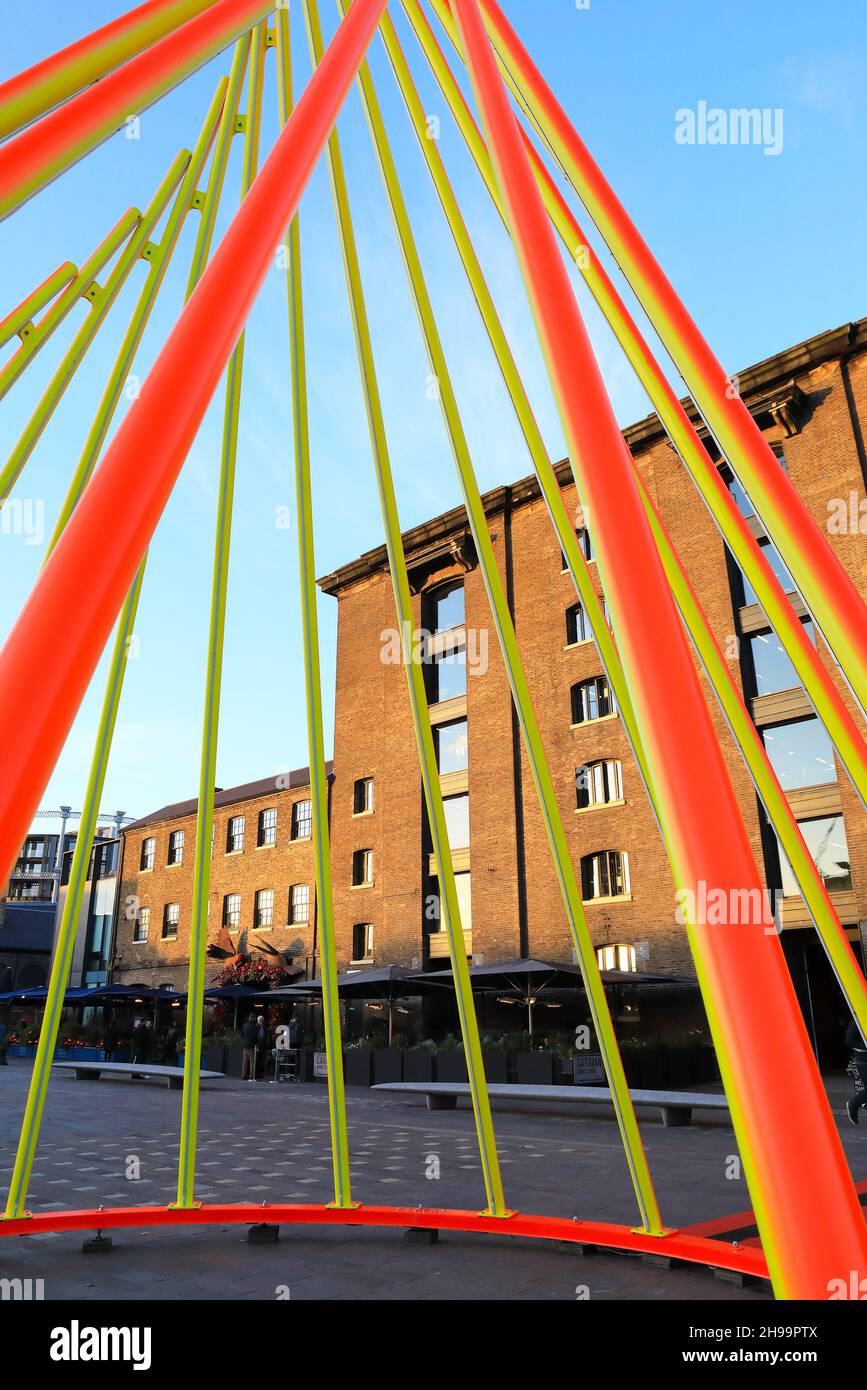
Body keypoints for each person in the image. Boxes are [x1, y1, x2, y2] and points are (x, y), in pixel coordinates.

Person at [845, 1016, 867, 1125]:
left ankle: (854, 1104)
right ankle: (853, 1104)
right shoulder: (858, 1017)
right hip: (864, 1060)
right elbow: (849, 1040)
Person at [241, 1014, 258, 1081]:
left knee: (244, 1061)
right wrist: (256, 1043)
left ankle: (243, 1075)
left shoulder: (244, 1025)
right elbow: (255, 1036)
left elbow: (242, 1035)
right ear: (253, 1019)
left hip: (245, 1045)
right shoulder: (254, 1026)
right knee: (252, 1062)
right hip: (251, 1046)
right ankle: (251, 1075)